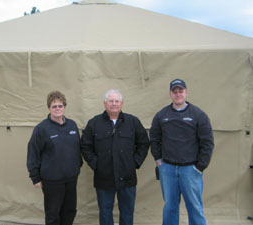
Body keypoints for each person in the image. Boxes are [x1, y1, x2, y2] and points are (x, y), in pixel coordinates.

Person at [150, 79, 214, 225]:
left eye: (181, 91)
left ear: (186, 92)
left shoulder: (198, 115)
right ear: (170, 94)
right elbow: (154, 138)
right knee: (170, 207)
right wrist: (159, 161)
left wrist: (200, 167)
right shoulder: (161, 115)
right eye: (175, 91)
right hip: (168, 169)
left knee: (195, 207)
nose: (178, 94)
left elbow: (207, 142)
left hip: (190, 170)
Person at [81, 89, 149, 225]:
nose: (113, 104)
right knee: (105, 212)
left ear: (122, 104)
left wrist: (134, 162)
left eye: (116, 101)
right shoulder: (94, 123)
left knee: (127, 211)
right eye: (110, 101)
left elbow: (144, 143)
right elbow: (85, 146)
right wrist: (96, 165)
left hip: (127, 176)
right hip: (104, 177)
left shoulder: (132, 122)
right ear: (104, 103)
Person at [27, 91, 82, 225]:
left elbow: (77, 149)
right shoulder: (42, 129)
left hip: (70, 178)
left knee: (69, 210)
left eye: (60, 106)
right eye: (54, 106)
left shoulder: (72, 125)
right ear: (49, 108)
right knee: (53, 213)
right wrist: (35, 177)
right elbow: (33, 153)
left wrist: (76, 167)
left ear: (64, 107)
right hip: (52, 180)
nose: (57, 109)